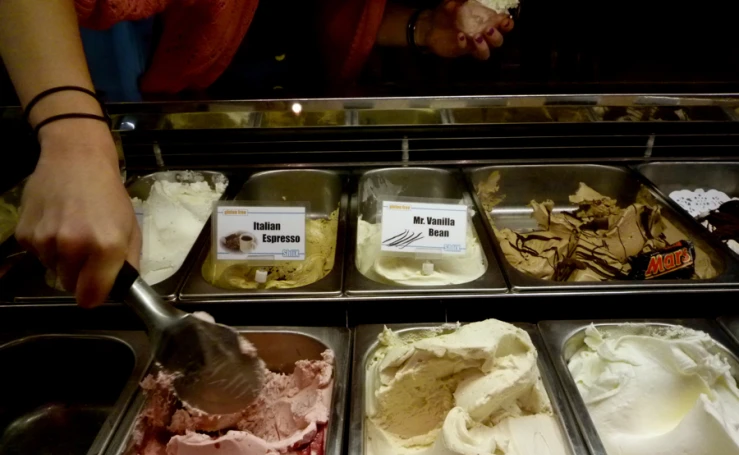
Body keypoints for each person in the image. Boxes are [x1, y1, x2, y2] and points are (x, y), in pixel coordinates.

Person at [0, 0, 513, 308]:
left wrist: (422, 27)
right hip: (204, 112)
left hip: (311, 109)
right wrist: (73, 135)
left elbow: (325, 13)